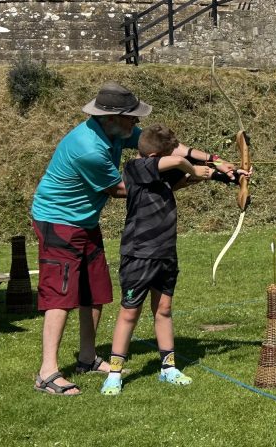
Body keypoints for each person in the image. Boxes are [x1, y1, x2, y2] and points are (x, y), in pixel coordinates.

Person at [31, 82, 238, 395]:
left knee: (94, 291)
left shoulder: (116, 129)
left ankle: (87, 358)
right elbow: (128, 190)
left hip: (85, 221)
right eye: (132, 118)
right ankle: (47, 372)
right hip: (58, 220)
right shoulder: (89, 149)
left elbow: (169, 151)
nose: (136, 124)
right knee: (61, 294)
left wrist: (213, 160)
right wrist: (193, 175)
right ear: (112, 118)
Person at [100, 124, 231, 396]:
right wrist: (193, 167)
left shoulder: (157, 174)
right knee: (129, 313)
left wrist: (227, 173)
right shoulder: (136, 167)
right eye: (167, 153)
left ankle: (168, 368)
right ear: (154, 156)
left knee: (164, 310)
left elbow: (181, 176)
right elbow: (181, 161)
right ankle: (114, 374)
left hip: (164, 253)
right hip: (139, 254)